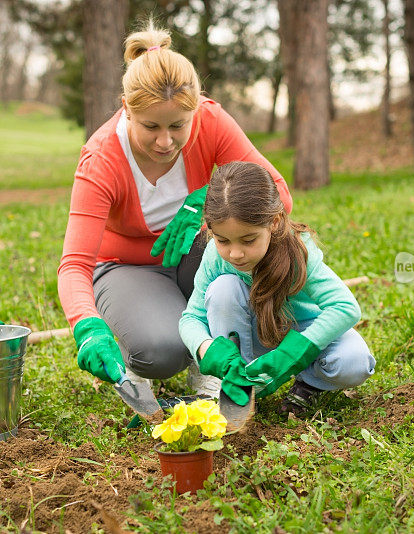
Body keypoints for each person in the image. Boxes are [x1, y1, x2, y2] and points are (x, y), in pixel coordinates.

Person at [57, 24, 292, 399]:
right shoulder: (102, 159)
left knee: (273, 236)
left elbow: (278, 195)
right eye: (151, 126)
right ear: (127, 110)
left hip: (197, 258)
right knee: (163, 351)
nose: (165, 142)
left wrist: (203, 199)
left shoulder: (210, 122)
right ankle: (146, 332)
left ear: (195, 111)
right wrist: (87, 326)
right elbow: (74, 265)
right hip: (127, 267)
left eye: (178, 126)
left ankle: (213, 360)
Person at [178, 161, 376, 416]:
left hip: (301, 333)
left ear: (274, 222)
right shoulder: (215, 258)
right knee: (222, 288)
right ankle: (242, 382)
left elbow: (346, 308)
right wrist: (208, 348)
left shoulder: (298, 253)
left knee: (354, 362)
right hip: (254, 338)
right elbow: (191, 318)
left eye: (249, 240)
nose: (235, 253)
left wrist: (292, 354)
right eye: (223, 240)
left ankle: (308, 384)